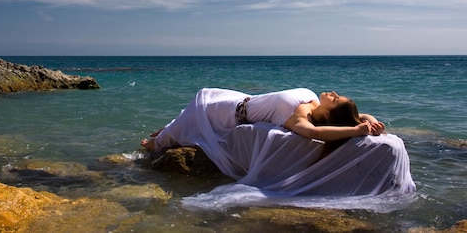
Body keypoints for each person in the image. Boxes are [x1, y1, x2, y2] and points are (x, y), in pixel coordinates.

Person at [141, 87, 385, 152]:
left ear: (330, 114)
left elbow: (316, 134)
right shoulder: (314, 104)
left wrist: (356, 133)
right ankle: (171, 127)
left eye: (335, 98)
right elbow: (358, 117)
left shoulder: (300, 119)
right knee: (192, 110)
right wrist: (371, 123)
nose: (332, 93)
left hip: (229, 113)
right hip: (240, 98)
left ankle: (157, 143)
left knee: (194, 114)